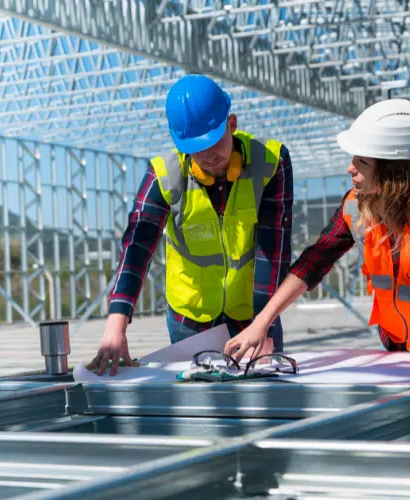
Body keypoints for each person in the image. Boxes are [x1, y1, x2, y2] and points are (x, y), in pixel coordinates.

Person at [224, 98, 410, 369]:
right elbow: (313, 262)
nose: (350, 167)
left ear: (393, 173)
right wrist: (260, 324)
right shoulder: (355, 205)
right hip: (399, 354)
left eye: (362, 162)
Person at [86, 74, 293, 376]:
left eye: (215, 142)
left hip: (253, 311)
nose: (209, 155)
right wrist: (115, 326)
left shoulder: (270, 162)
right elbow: (136, 249)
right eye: (197, 147)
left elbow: (272, 254)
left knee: (265, 397)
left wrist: (264, 325)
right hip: (189, 320)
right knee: (199, 410)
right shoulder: (164, 177)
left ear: (232, 124)